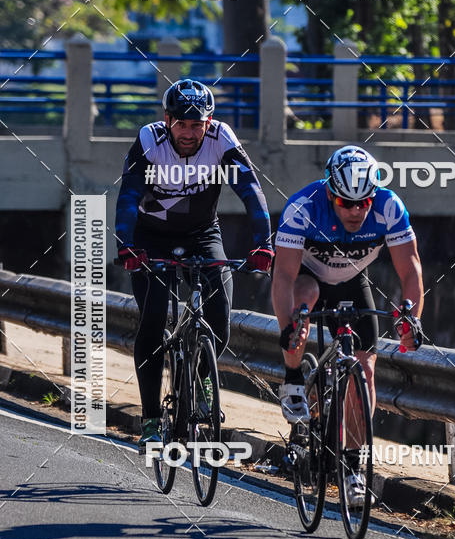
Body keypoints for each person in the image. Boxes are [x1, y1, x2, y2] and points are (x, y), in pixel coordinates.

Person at [115, 78, 273, 450]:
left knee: (220, 314)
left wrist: (263, 243)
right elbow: (127, 197)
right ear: (167, 120)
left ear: (209, 121)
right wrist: (127, 245)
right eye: (181, 124)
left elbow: (252, 192)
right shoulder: (149, 140)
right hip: (150, 238)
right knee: (153, 320)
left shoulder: (222, 139)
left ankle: (201, 383)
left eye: (196, 124)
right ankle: (152, 418)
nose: (188, 133)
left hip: (202, 233)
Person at [272, 145, 424, 500]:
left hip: (353, 281)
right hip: (306, 277)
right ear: (330, 193)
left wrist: (411, 318)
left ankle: (353, 469)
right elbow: (282, 277)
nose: (356, 212)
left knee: (365, 371)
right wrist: (287, 329)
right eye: (346, 204)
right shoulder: (304, 207)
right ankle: (294, 377)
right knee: (303, 305)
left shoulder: (388, 206)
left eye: (363, 203)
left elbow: (411, 269)